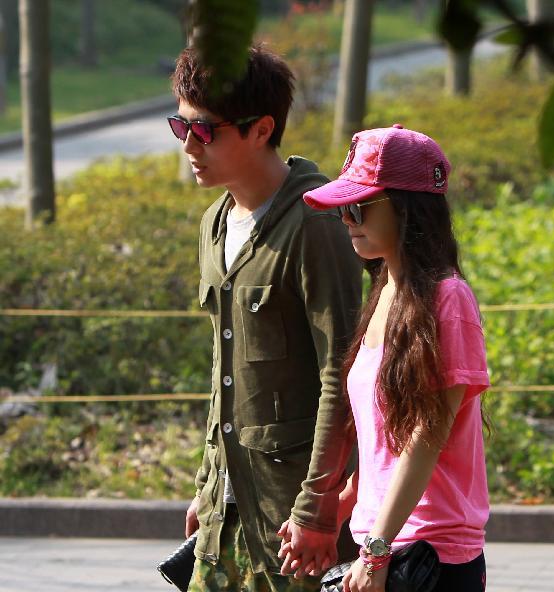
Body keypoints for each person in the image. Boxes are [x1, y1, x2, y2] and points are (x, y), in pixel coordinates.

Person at [170, 44, 362, 592]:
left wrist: (317, 507)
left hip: (293, 520)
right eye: (179, 127)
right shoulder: (214, 221)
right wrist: (209, 485)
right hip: (227, 510)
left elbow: (341, 376)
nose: (188, 145)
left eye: (204, 131)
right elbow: (225, 370)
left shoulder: (316, 222)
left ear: (261, 130)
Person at [289, 124, 491, 592]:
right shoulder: (384, 292)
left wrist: (377, 550)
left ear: (409, 209)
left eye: (360, 206)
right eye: (344, 208)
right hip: (382, 545)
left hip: (430, 556)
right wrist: (335, 510)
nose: (347, 219)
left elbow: (427, 435)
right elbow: (386, 441)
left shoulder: (449, 299)